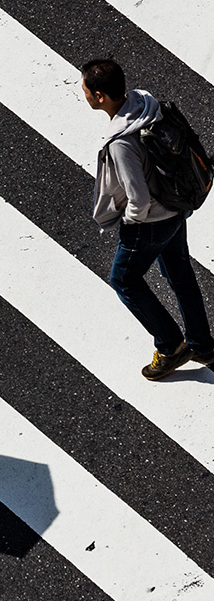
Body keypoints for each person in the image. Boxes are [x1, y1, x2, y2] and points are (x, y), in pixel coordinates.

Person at [82, 58, 214, 379]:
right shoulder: (145, 104)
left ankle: (170, 346)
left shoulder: (121, 143)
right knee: (180, 274)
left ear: (100, 97)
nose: (83, 93)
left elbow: (138, 199)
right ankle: (203, 345)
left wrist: (127, 222)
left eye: (86, 89)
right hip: (176, 205)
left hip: (151, 222)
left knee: (124, 280)